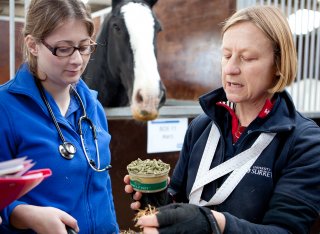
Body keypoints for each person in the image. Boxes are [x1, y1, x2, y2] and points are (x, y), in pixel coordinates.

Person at [124, 5, 320, 234]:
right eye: (226, 55)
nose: (230, 68)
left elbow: (286, 230)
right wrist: (159, 202)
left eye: (247, 58)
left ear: (278, 65)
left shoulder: (305, 142)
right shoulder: (202, 126)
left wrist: (216, 224)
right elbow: (180, 199)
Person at [0, 0, 119, 233]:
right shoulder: (5, 108)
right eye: (63, 49)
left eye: (84, 47)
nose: (77, 60)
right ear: (33, 45)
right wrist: (22, 214)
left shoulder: (92, 106)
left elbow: (102, 185)